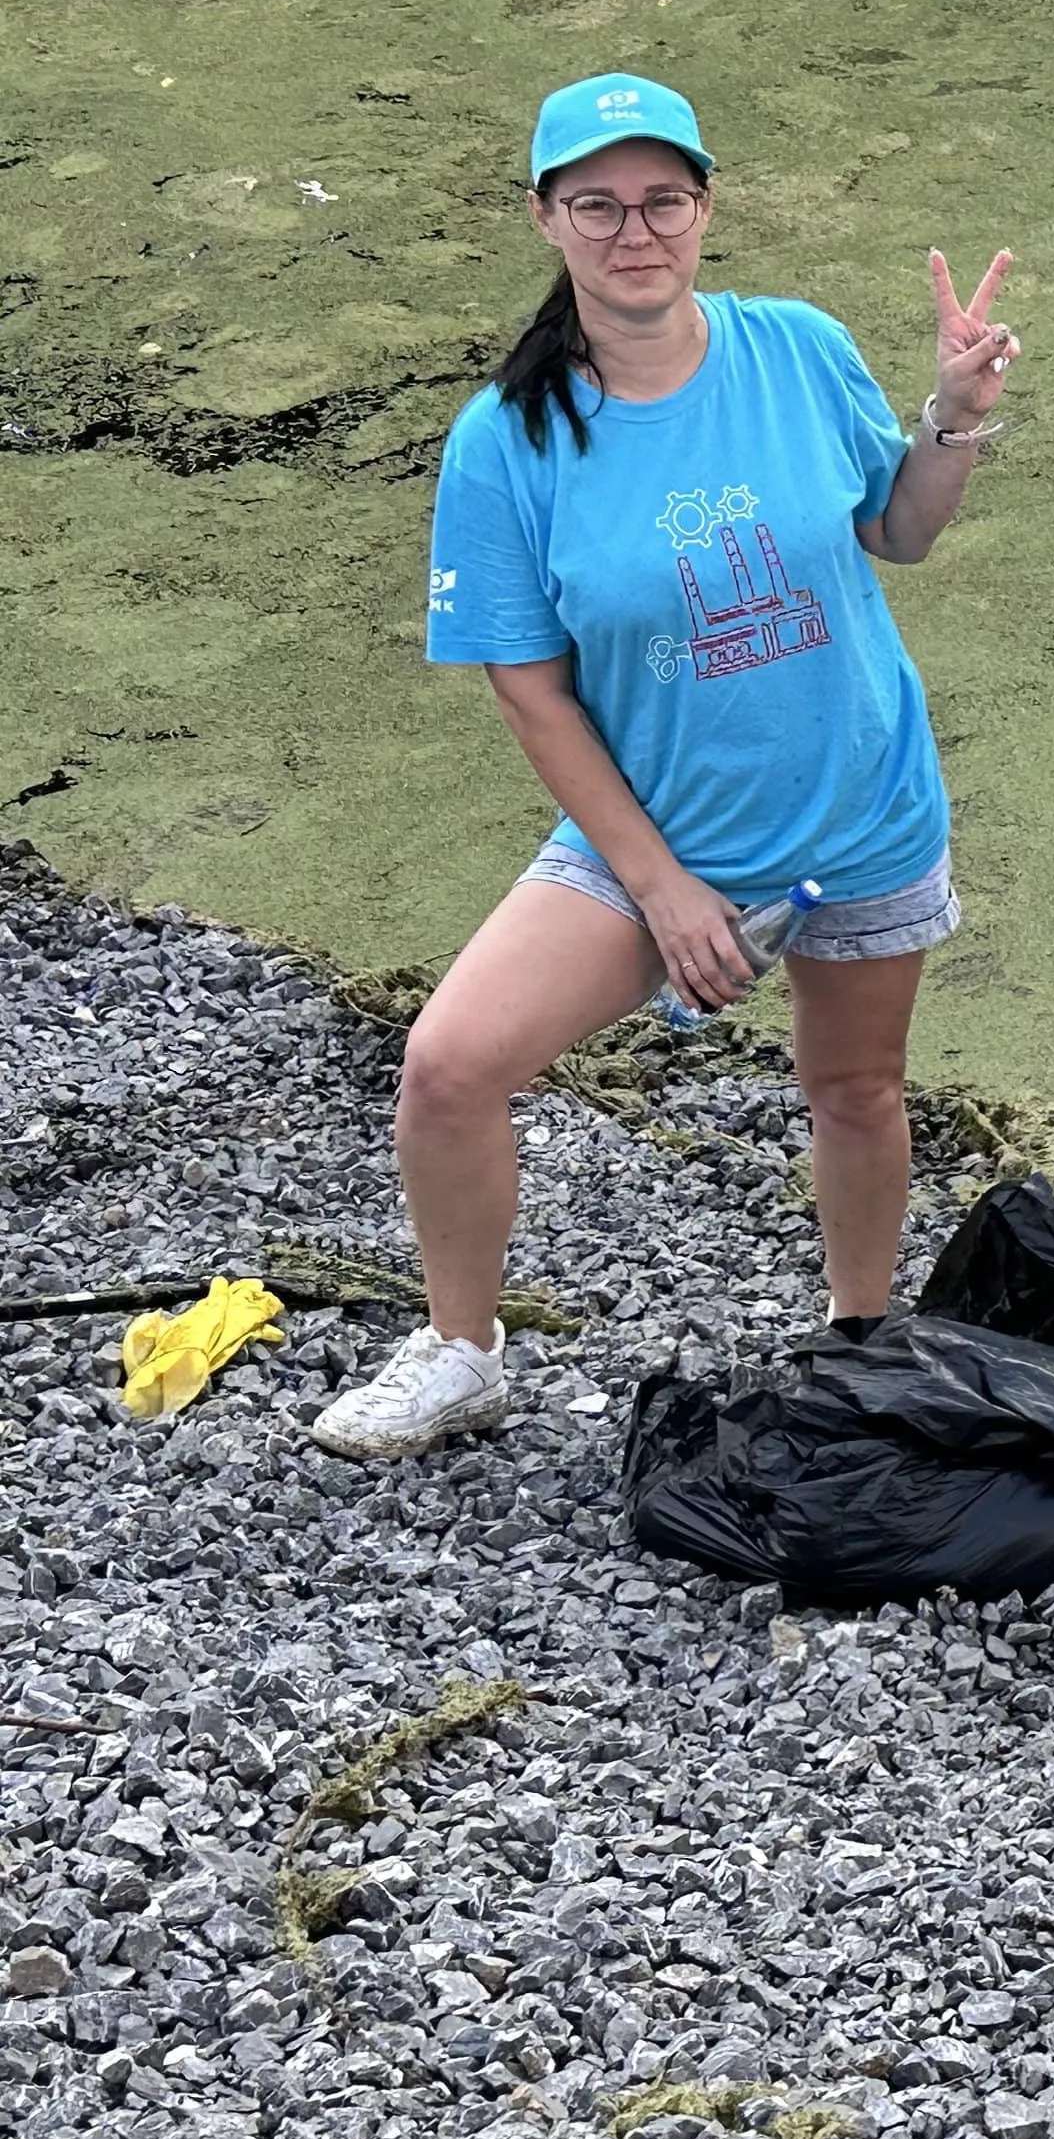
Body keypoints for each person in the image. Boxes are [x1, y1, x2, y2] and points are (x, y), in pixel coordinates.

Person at [310, 73, 1015, 1460]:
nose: (636, 232)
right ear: (547, 220)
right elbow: (530, 687)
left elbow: (902, 532)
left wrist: (951, 419)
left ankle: (859, 1341)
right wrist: (666, 889)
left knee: (858, 1088)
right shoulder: (504, 440)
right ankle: (462, 1349)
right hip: (661, 836)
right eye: (599, 205)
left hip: (864, 807)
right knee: (450, 1065)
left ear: (703, 210)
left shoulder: (797, 349)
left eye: (663, 202)